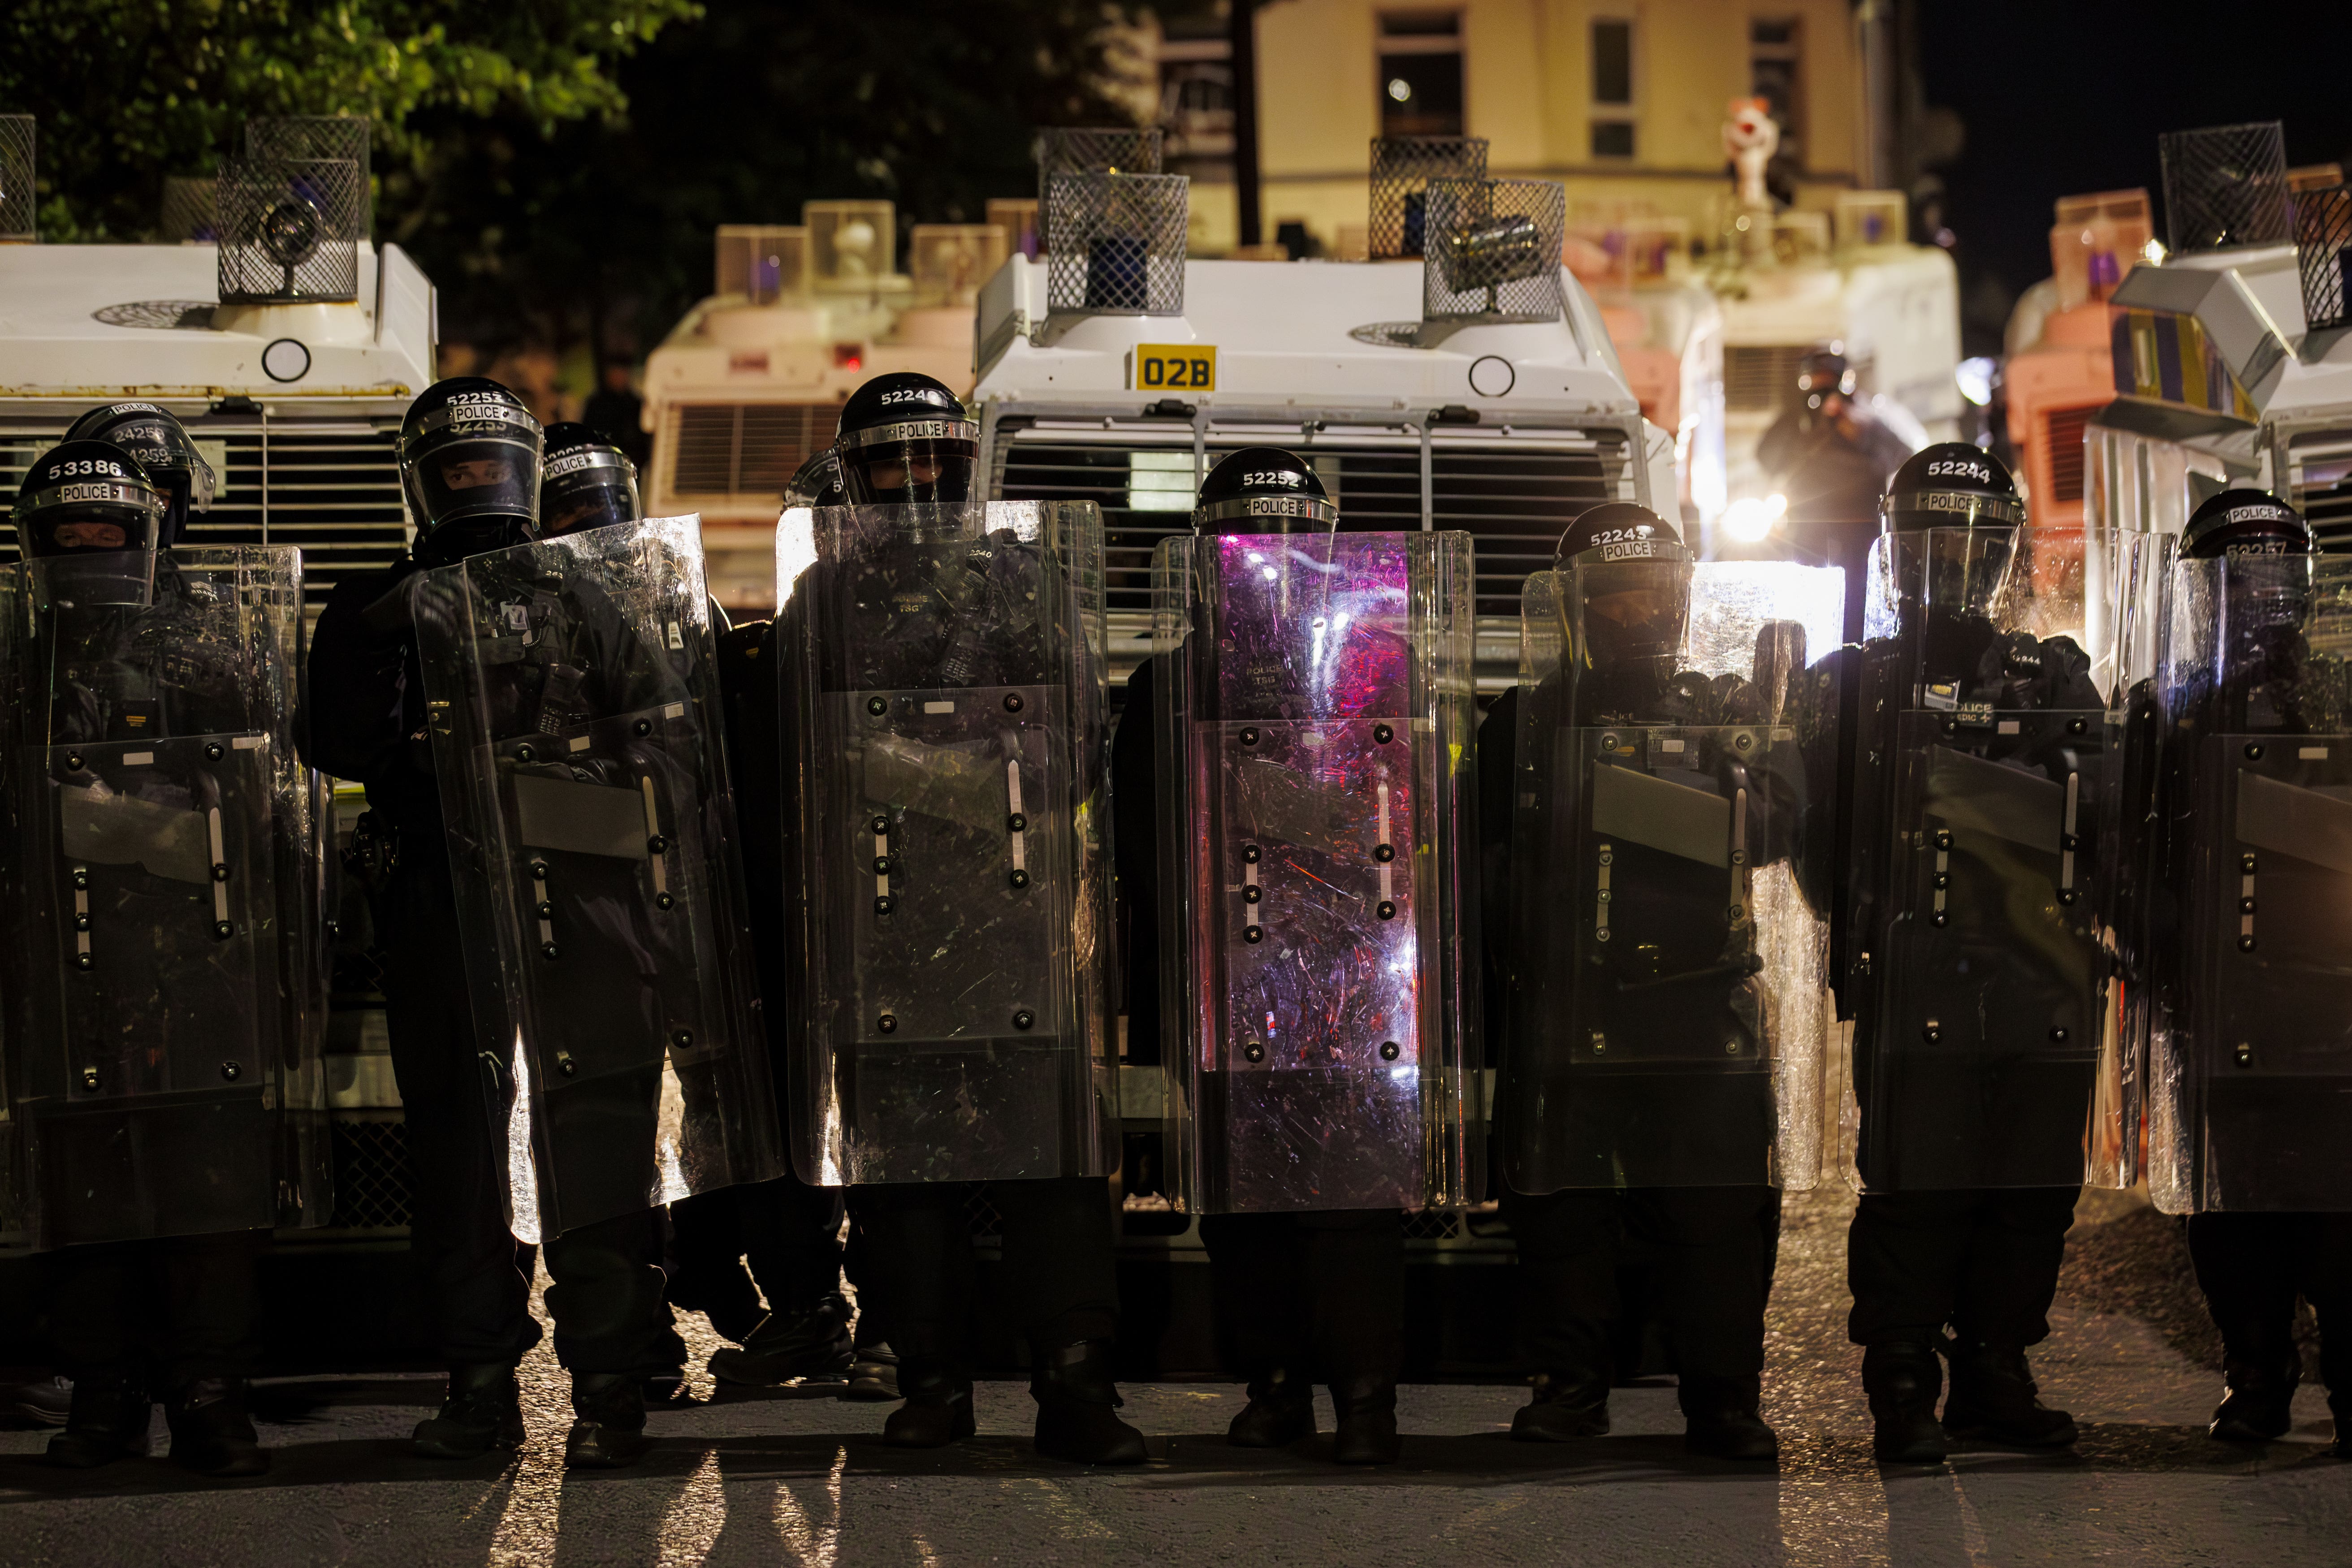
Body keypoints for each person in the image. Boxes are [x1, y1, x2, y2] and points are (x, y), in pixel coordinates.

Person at [308, 376, 777, 1469]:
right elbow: (335, 739)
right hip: (443, 901)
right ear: (421, 481)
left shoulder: (592, 594)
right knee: (463, 1149)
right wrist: (413, 677)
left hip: (587, 890)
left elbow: (668, 737)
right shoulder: (372, 602)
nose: (478, 485)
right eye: (456, 468)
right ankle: (480, 1381)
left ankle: (610, 1380)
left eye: (493, 464)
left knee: (600, 1137)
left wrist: (552, 770)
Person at [771, 371, 1141, 1463]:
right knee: (904, 1177)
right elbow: (796, 766)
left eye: (935, 457)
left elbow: (1075, 741)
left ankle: (1076, 1384)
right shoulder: (822, 604)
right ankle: (928, 1376)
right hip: (879, 922)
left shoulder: (1025, 582)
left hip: (1017, 913)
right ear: (855, 473)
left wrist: (914, 772)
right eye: (892, 460)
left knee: (1058, 1172)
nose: (917, 479)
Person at [1115, 448, 1480, 1466]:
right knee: (1245, 1200)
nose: (1271, 561)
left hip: (1355, 978)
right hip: (1226, 976)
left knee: (1353, 1197)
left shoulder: (1384, 662)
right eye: (1249, 540)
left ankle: (1365, 1395)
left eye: (1290, 536)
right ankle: (1273, 1383)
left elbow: (1422, 822)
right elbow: (1146, 849)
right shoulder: (1171, 676)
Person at [1480, 501, 1840, 1461]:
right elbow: (1486, 865)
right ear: (1577, 609)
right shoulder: (1527, 716)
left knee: (1716, 1216)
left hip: (1699, 1001)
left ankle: (1721, 1398)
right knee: (1562, 1214)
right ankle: (1569, 1388)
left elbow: (1771, 829)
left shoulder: (1720, 709)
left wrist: (1760, 729)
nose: (1640, 614)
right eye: (1619, 596)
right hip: (1569, 1002)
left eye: (1657, 592)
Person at [1, 419, 325, 1477]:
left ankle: (210, 1393)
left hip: (201, 959)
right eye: (70, 531)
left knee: (209, 1188)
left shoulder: (212, 641)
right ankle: (103, 1393)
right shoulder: (16, 652)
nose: (91, 549)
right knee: (84, 1189)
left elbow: (268, 810)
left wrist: (140, 829)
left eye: (109, 527)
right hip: (59, 968)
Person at [1841, 444, 2110, 1463]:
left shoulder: (2051, 675)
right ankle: (1903, 1379)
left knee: (2030, 1190)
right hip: (1915, 976)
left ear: (2003, 557)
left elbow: (2103, 813)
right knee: (1916, 1186)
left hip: (2038, 975)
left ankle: (1995, 1366)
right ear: (1895, 558)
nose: (1952, 567)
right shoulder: (1858, 682)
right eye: (1931, 546)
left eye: (1974, 545)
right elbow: (1811, 830)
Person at [2135, 491, 2352, 1452]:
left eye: (2276, 575)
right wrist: (2167, 949)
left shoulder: (2343, 693)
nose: (2261, 598)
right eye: (2241, 577)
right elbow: (2121, 851)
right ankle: (2255, 1372)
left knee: (2341, 1211)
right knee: (2234, 1214)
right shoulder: (2170, 710)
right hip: (2220, 1003)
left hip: (2335, 1003)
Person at [1754, 348, 1916, 642]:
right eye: (1816, 377)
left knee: (1858, 600)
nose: (1822, 385)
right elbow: (1765, 456)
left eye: (1829, 377)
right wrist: (1801, 430)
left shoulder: (1867, 419)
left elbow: (1904, 457)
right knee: (1804, 598)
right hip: (1807, 528)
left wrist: (1859, 433)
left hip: (1859, 529)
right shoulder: (1795, 422)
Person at [581, 359, 649, 470]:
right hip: (602, 462)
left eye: (623, 372)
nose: (619, 377)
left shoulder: (635, 404)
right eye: (615, 372)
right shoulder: (596, 404)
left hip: (632, 464)